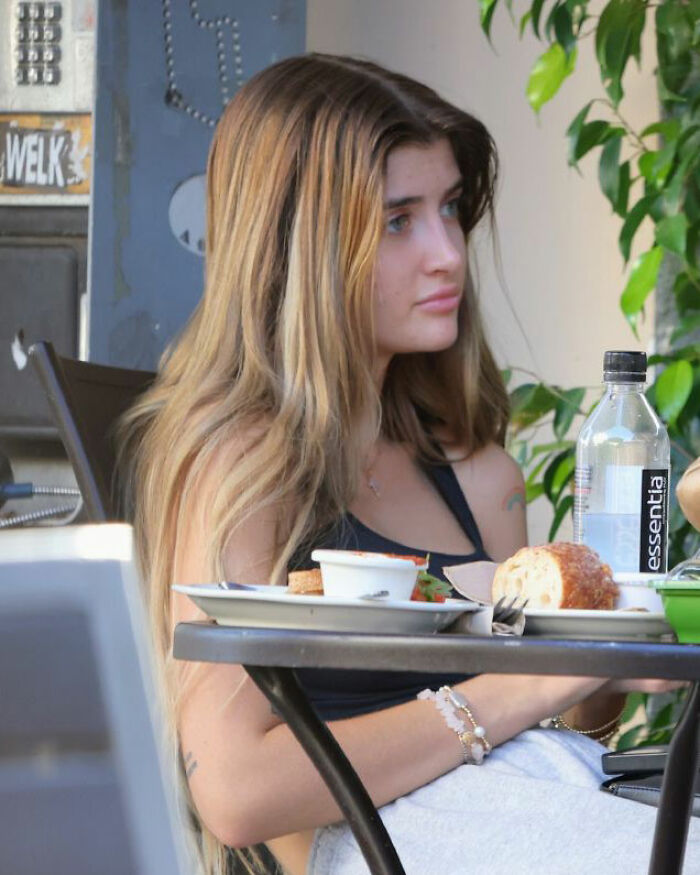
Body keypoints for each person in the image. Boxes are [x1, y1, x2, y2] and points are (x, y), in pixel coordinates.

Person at [121, 53, 698, 875]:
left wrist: (610, 662)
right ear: (303, 244)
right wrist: (527, 686)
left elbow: (563, 737)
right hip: (368, 849)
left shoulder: (477, 475)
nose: (449, 253)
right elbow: (236, 791)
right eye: (399, 219)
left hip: (528, 808)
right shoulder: (244, 467)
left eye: (452, 207)